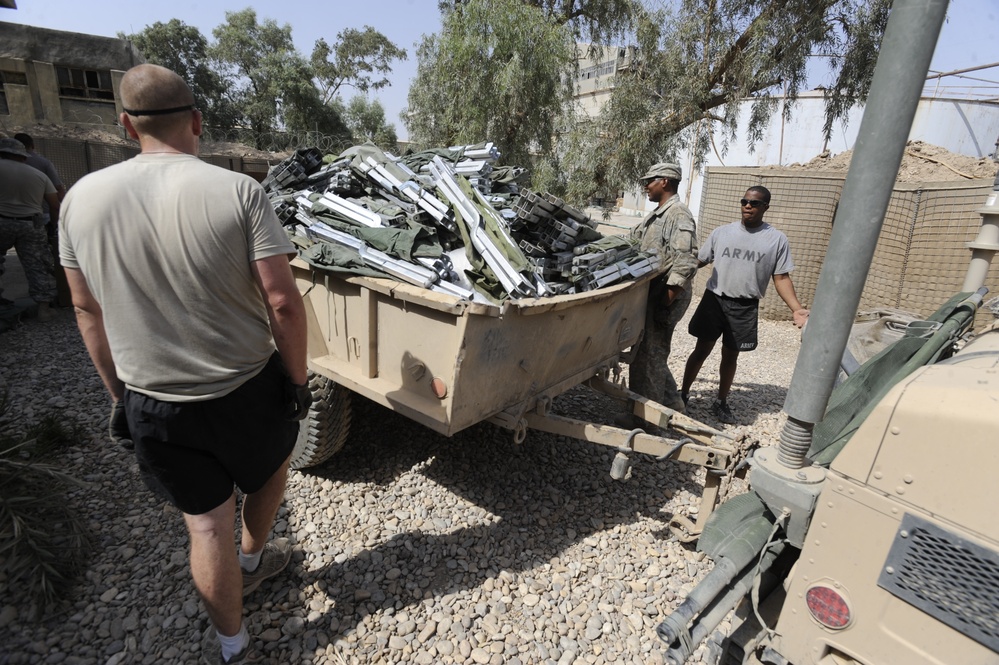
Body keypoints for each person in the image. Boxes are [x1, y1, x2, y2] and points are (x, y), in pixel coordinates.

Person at [59, 64, 310, 665]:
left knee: (203, 527)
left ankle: (232, 647)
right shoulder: (239, 192)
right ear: (197, 121)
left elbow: (84, 308)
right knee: (272, 469)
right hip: (245, 387)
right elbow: (282, 302)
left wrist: (121, 396)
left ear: (124, 126)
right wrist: (297, 383)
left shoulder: (78, 200)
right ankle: (252, 559)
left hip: (155, 401)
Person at [681, 185, 809, 424]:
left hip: (744, 307)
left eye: (754, 203)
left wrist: (796, 309)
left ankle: (720, 402)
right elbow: (698, 260)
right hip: (714, 301)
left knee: (731, 356)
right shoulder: (722, 232)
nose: (747, 206)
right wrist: (673, 273)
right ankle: (683, 394)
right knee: (701, 349)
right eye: (744, 202)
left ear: (765, 207)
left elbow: (781, 277)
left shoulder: (776, 239)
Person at [618, 162, 699, 426]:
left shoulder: (678, 215)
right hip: (657, 292)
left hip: (667, 294)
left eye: (649, 181)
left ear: (665, 181)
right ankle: (673, 405)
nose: (645, 186)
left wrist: (667, 300)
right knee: (653, 352)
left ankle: (646, 423)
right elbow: (633, 239)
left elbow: (686, 259)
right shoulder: (659, 214)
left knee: (649, 355)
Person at [0, 137, 59, 320]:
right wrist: (57, 228)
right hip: (32, 223)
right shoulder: (39, 175)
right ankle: (44, 308)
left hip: (2, 221)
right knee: (37, 265)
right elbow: (54, 204)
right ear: (23, 156)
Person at [14, 132, 71, 306]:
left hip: (6, 219)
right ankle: (47, 302)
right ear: (32, 145)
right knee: (40, 259)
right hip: (37, 217)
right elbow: (57, 192)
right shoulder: (41, 165)